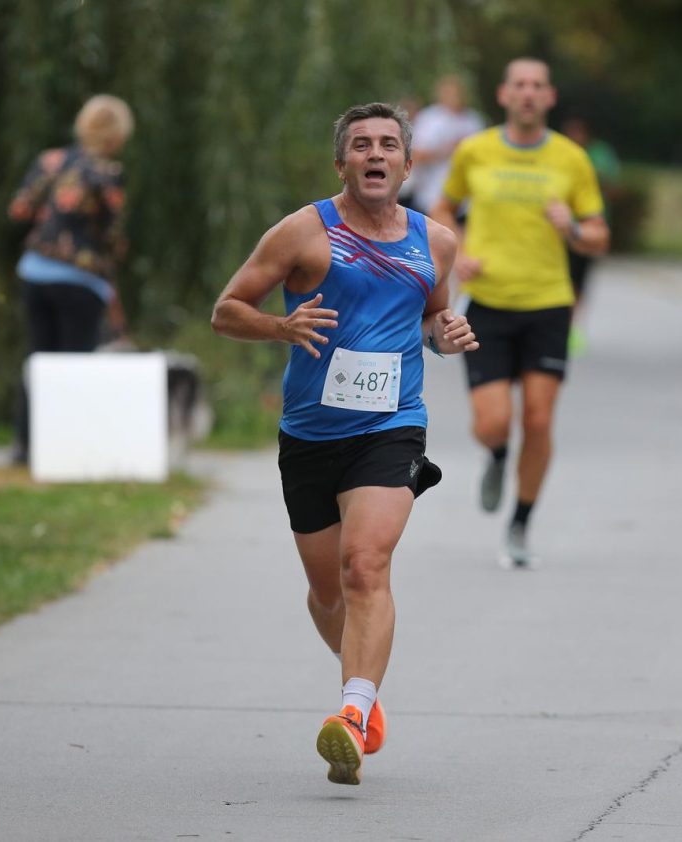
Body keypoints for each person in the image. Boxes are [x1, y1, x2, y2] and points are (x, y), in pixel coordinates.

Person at [210, 102, 478, 786]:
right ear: (342, 164)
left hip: (392, 426)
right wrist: (281, 327)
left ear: (408, 164)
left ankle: (352, 713)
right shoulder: (303, 232)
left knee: (366, 567)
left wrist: (444, 335)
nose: (375, 154)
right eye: (361, 145)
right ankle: (364, 686)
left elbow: (431, 316)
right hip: (309, 434)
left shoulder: (435, 242)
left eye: (388, 144)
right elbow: (227, 310)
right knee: (328, 593)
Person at [432, 58, 608, 569]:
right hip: (487, 304)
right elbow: (442, 208)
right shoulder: (475, 150)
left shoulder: (572, 159)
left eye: (537, 86)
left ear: (549, 97)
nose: (528, 93)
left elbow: (599, 237)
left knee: (538, 418)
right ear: (503, 94)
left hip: (548, 304)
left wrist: (572, 227)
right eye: (519, 85)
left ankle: (520, 524)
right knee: (493, 423)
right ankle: (496, 455)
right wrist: (458, 250)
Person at [7, 94, 133, 465]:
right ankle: (65, 448)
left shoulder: (50, 161)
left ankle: (24, 446)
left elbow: (19, 209)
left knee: (39, 361)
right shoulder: (108, 174)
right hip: (80, 279)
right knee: (74, 367)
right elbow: (112, 236)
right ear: (116, 135)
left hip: (35, 272)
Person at [560, 116, 622, 356]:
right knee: (562, 278)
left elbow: (613, 187)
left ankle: (574, 326)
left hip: (587, 227)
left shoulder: (600, 155)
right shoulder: (558, 153)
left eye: (579, 132)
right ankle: (561, 323)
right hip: (559, 229)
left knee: (580, 280)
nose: (576, 137)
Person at [408, 75, 485, 216]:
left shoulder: (474, 120)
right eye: (449, 92)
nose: (454, 97)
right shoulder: (429, 118)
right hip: (432, 196)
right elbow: (415, 155)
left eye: (457, 92)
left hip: (466, 202)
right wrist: (447, 149)